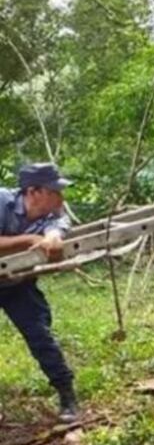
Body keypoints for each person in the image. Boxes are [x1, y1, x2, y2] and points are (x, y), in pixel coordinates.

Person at [0, 164, 79, 422]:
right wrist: (29, 240)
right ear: (33, 192)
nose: (60, 197)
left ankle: (66, 394)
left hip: (17, 285)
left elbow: (59, 226)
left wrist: (53, 235)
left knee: (40, 335)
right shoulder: (3, 201)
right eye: (54, 191)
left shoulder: (52, 213)